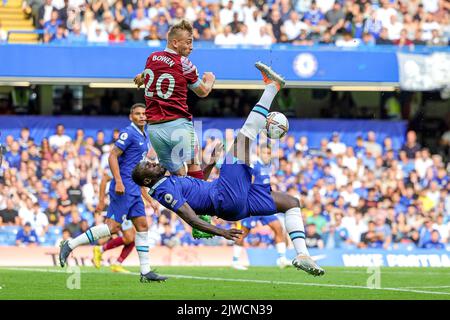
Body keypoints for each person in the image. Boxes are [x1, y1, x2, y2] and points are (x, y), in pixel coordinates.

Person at [132, 62, 325, 277]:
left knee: (291, 203)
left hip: (232, 202)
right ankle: (272, 87)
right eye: (148, 166)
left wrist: (211, 162)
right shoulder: (163, 191)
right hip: (223, 197)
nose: (153, 162)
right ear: (147, 181)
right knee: (243, 138)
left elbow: (198, 184)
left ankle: (302, 254)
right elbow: (191, 218)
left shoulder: (170, 180)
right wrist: (221, 232)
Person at [59, 104, 167, 282]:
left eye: (144, 114)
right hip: (123, 188)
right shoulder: (128, 133)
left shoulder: (144, 135)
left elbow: (136, 169)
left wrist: (148, 199)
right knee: (112, 228)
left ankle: (146, 272)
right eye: (138, 114)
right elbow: (112, 155)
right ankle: (70, 244)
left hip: (134, 188)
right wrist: (117, 180)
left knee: (142, 226)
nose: (142, 116)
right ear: (131, 116)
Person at [133, 20, 215, 179]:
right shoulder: (184, 63)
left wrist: (141, 76)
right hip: (178, 124)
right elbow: (203, 92)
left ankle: (182, 203)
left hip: (155, 130)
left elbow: (150, 73)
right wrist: (210, 80)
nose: (191, 47)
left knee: (178, 175)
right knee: (193, 164)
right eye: (188, 42)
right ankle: (198, 203)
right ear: (175, 42)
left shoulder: (152, 57)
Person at [229, 144, 290, 270]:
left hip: (266, 205)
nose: (267, 155)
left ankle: (282, 259)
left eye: (269, 153)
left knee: (278, 228)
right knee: (243, 233)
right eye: (265, 153)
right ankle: (235, 261)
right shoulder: (254, 165)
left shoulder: (267, 167)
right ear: (259, 152)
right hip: (254, 206)